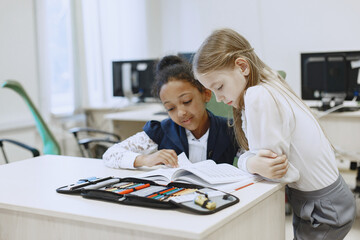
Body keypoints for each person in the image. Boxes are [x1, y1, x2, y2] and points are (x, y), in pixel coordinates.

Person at [193, 28, 356, 239]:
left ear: (242, 66)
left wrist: (245, 162)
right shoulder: (268, 81)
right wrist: (250, 160)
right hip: (322, 201)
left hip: (323, 209)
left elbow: (274, 169)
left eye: (220, 87)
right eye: (212, 91)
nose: (219, 98)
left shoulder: (257, 95)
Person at [103, 55, 287, 171]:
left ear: (206, 94)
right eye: (171, 108)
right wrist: (144, 159)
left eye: (186, 101)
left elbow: (252, 156)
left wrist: (254, 164)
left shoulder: (229, 130)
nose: (181, 113)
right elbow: (110, 154)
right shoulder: (161, 131)